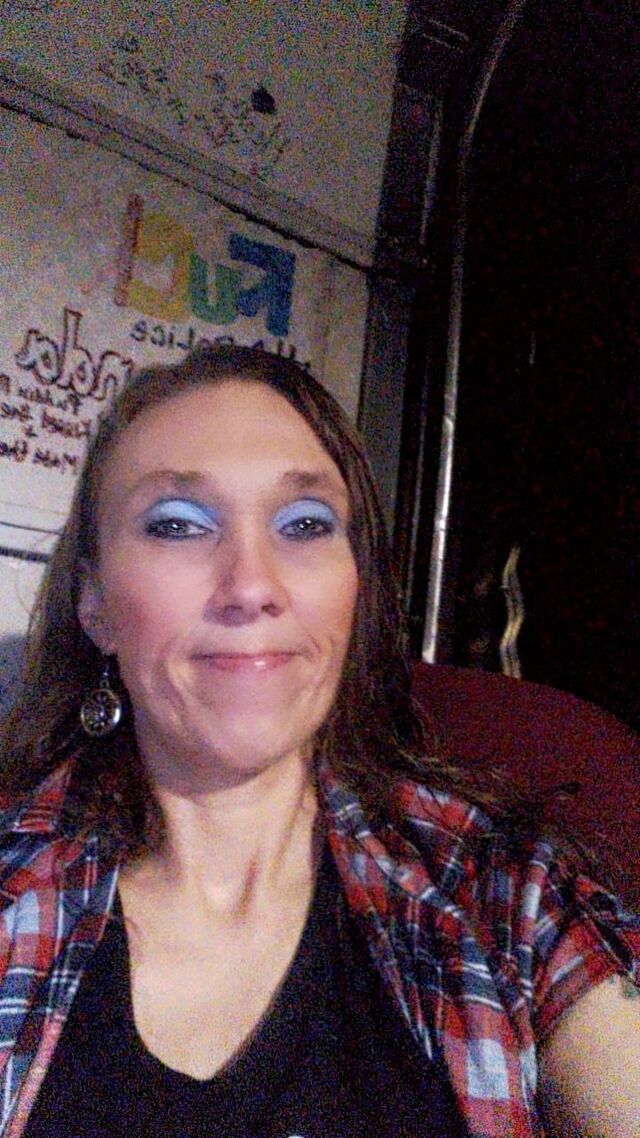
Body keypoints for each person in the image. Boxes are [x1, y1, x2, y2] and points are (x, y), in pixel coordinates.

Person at [0, 344, 637, 1138]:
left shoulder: (509, 895)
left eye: (304, 524)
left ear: (354, 587)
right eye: (177, 525)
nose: (252, 586)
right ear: (94, 603)